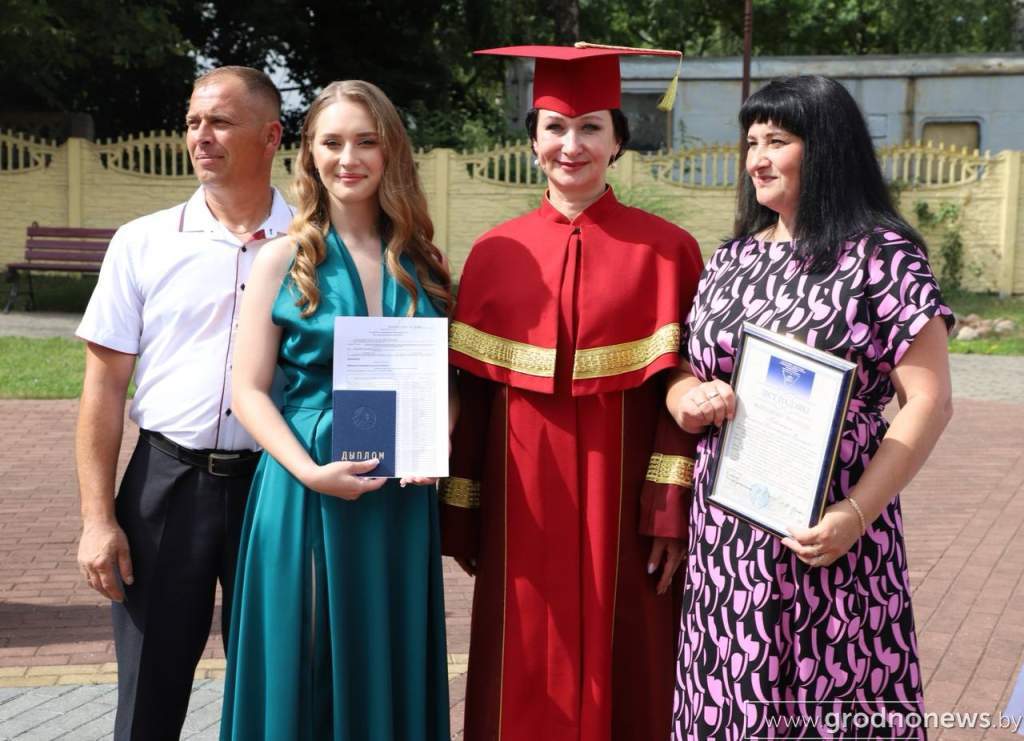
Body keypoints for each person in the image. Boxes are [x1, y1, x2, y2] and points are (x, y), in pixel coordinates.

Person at [667, 75, 954, 740]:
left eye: (778, 141)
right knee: (729, 702)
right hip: (730, 538)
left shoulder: (882, 257)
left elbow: (929, 400)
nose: (757, 157)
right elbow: (688, 363)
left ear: (824, 148)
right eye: (751, 143)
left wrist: (855, 515)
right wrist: (688, 396)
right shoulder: (732, 257)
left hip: (832, 535)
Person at [441, 45, 704, 741]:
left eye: (591, 127)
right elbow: (474, 398)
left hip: (626, 505)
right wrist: (463, 508)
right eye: (555, 126)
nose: (572, 144)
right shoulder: (498, 252)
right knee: (522, 652)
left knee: (634, 655)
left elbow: (686, 386)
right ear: (532, 141)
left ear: (619, 139)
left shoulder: (669, 250)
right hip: (519, 502)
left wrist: (668, 505)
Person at [220, 80, 452, 741]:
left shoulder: (424, 261)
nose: (349, 157)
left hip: (401, 498)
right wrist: (308, 470)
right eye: (332, 142)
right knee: (311, 658)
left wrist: (434, 440)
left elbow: (446, 379)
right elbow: (250, 390)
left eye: (366, 141)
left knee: (390, 655)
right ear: (310, 154)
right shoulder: (282, 259)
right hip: (307, 488)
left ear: (391, 153)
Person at [74, 66, 289, 740]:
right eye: (193, 121)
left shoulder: (316, 245)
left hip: (276, 485)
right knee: (149, 692)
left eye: (220, 121)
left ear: (270, 135)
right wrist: (96, 517)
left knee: (283, 681)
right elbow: (104, 386)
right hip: (164, 485)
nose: (200, 135)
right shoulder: (142, 242)